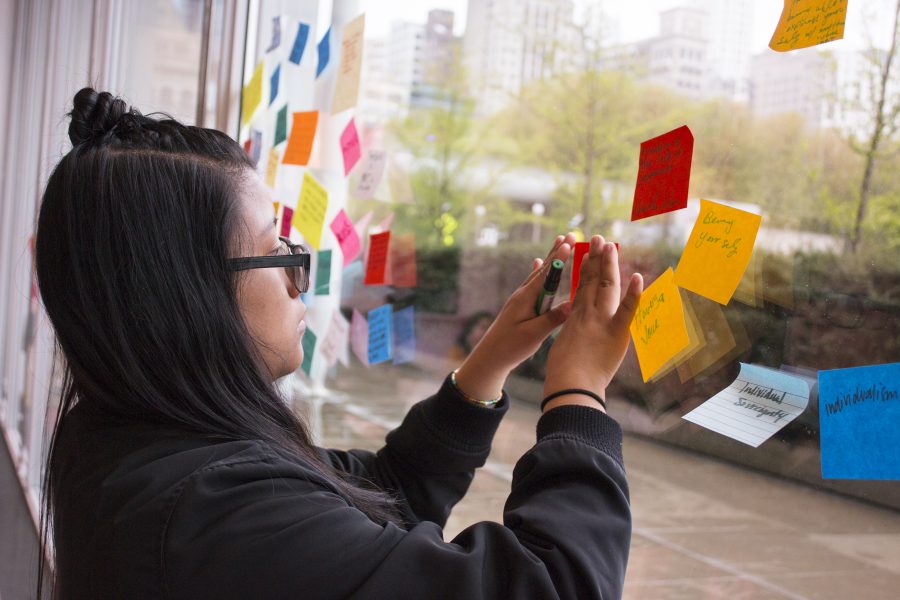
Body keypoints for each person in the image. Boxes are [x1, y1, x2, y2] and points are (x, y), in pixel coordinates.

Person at [34, 88, 644, 599]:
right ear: (183, 292)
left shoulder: (134, 439)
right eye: (274, 251)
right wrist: (578, 393)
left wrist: (488, 363)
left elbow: (376, 496)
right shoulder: (215, 512)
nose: (298, 276)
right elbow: (555, 587)